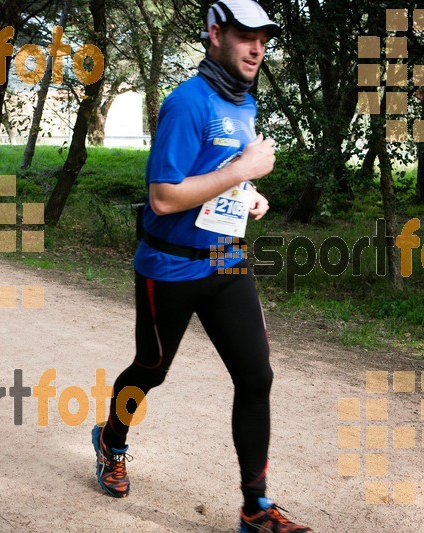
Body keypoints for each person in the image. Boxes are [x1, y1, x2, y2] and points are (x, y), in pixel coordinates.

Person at [91, 1, 313, 531]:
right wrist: (243, 167)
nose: (257, 48)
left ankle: (255, 509)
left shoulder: (245, 102)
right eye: (245, 36)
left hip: (226, 263)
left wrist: (249, 191)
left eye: (263, 38)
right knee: (152, 370)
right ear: (216, 35)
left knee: (256, 376)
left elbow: (219, 174)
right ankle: (110, 439)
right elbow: (165, 197)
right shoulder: (187, 104)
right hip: (169, 267)